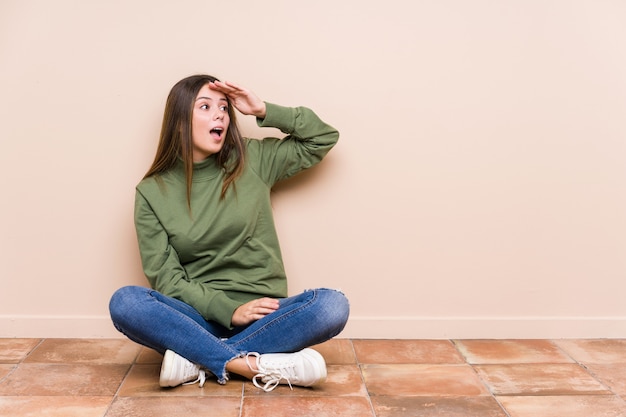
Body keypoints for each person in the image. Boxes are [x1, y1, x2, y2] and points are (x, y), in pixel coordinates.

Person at [109, 74, 349, 392]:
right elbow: (168, 281)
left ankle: (198, 358)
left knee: (332, 305)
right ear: (179, 121)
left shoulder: (253, 159)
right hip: (196, 316)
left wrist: (262, 109)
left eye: (223, 107)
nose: (220, 114)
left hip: (266, 315)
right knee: (126, 302)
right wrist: (229, 311)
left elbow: (322, 137)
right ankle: (250, 365)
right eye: (205, 106)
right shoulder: (152, 192)